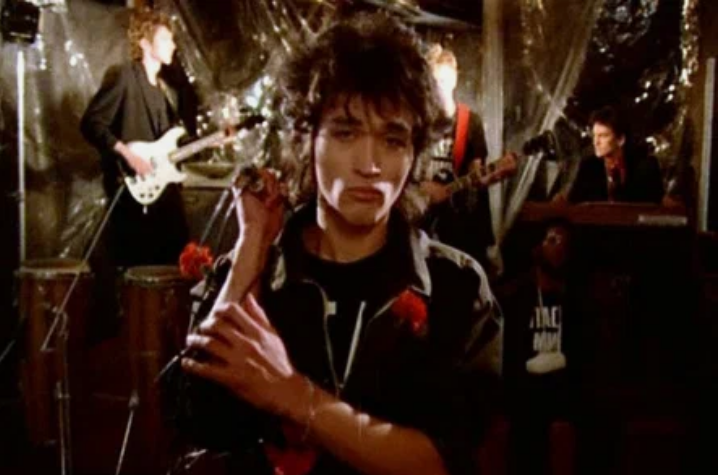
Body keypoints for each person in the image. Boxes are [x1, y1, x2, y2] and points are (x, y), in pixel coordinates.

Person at [179, 13, 502, 475]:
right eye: (346, 133)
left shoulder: (455, 286)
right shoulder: (259, 272)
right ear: (307, 138)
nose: (370, 164)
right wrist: (251, 248)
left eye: (393, 139)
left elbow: (442, 460)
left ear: (414, 154)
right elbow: (197, 417)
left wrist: (293, 395)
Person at [80, 8, 189, 268]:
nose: (173, 45)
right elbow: (92, 123)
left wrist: (214, 140)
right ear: (145, 43)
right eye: (165, 39)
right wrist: (128, 154)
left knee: (176, 258)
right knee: (137, 266)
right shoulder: (125, 76)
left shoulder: (164, 91)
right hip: (132, 189)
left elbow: (170, 142)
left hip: (161, 189)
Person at [499, 218, 580, 475]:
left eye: (564, 243)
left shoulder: (575, 299)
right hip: (522, 393)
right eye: (552, 240)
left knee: (563, 428)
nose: (559, 248)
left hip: (561, 394)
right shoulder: (516, 296)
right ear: (538, 247)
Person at [418, 44, 498, 273]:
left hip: (460, 223)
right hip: (422, 218)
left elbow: (477, 173)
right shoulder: (420, 122)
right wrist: (423, 188)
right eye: (434, 83)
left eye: (443, 82)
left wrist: (490, 176)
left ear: (454, 81)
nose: (439, 89)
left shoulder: (470, 121)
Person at [568, 106, 664, 204]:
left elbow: (655, 206)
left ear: (620, 139)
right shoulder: (588, 168)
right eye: (594, 136)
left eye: (603, 136)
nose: (596, 142)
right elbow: (573, 204)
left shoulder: (646, 167)